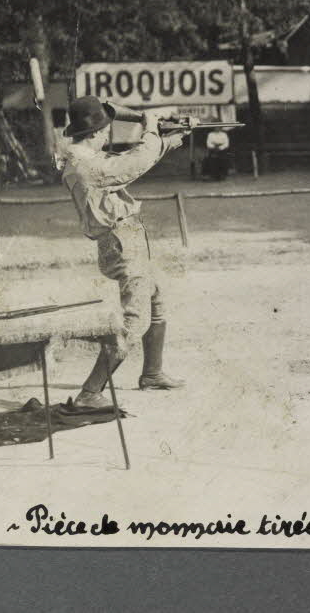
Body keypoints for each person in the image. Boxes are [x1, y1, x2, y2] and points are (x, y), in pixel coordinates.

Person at [59, 96, 187, 407]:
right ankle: (90, 392)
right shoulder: (86, 164)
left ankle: (152, 373)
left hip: (126, 238)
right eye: (103, 131)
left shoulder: (84, 158)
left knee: (156, 297)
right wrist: (153, 129)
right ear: (93, 134)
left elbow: (128, 162)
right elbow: (134, 163)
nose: (106, 136)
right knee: (135, 321)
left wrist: (170, 140)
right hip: (121, 241)